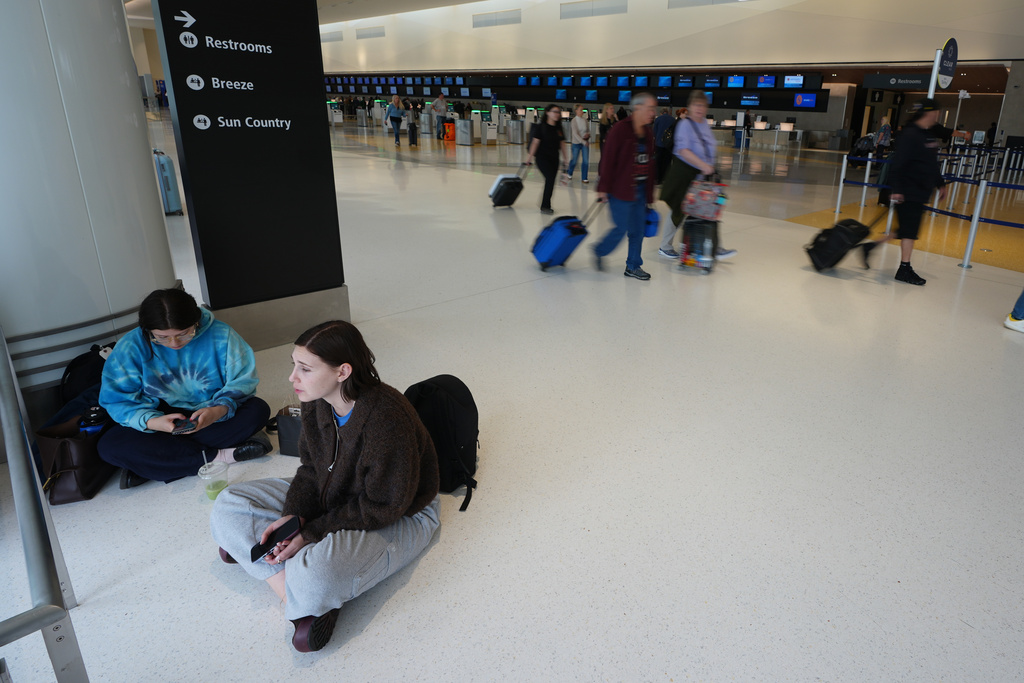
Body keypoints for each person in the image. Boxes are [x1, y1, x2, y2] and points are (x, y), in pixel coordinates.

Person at [210, 320, 440, 653]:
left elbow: (384, 505)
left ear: (342, 371)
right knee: (228, 504)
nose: (292, 377)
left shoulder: (386, 419)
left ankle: (287, 580)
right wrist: (293, 518)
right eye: (294, 364)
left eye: (304, 368)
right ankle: (301, 599)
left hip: (401, 513)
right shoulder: (317, 399)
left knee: (315, 571)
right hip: (339, 493)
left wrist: (310, 532)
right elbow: (311, 469)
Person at [98, 289, 271, 489]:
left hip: (211, 413)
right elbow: (117, 400)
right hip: (159, 418)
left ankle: (156, 465)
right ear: (147, 330)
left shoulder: (223, 336)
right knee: (109, 446)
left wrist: (218, 410)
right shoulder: (130, 347)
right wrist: (152, 422)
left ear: (196, 321)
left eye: (184, 334)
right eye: (162, 337)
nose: (174, 343)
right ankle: (221, 456)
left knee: (258, 410)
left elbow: (243, 382)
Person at [860, 98, 947, 285]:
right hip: (908, 190)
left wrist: (941, 183)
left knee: (905, 229)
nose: (937, 117)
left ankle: (870, 247)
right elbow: (898, 163)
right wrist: (897, 189)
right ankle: (904, 269)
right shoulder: (910, 134)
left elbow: (931, 163)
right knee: (910, 232)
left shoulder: (927, 134)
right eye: (936, 114)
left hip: (919, 190)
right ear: (929, 113)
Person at [658, 90, 736, 260]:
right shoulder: (685, 125)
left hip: (702, 176)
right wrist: (704, 165)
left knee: (708, 209)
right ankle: (665, 246)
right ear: (690, 106)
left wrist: (709, 168)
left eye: (702, 105)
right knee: (679, 210)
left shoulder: (703, 124)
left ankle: (711, 246)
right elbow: (683, 150)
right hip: (685, 174)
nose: (699, 108)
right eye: (696, 105)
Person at [592, 92, 657, 281]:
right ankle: (599, 250)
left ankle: (633, 266)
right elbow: (607, 160)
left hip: (640, 190)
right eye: (650, 108)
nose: (653, 112)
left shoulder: (648, 132)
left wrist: (650, 194)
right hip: (620, 189)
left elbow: (650, 164)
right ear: (637, 108)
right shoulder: (620, 129)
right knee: (620, 228)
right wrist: (603, 187)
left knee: (638, 231)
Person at [525, 104, 569, 215]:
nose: (557, 114)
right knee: (549, 179)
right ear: (548, 113)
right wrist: (529, 157)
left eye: (558, 112)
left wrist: (566, 159)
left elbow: (562, 144)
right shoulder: (541, 127)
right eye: (554, 112)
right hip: (542, 158)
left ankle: (545, 202)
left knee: (551, 181)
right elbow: (535, 142)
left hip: (554, 158)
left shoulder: (559, 129)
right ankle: (545, 206)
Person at [566, 104, 591, 184]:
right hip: (576, 143)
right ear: (576, 111)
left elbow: (588, 130)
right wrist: (583, 142)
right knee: (574, 161)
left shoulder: (585, 120)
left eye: (583, 110)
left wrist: (588, 134)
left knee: (586, 161)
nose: (582, 111)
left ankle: (584, 178)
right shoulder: (574, 121)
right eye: (580, 110)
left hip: (584, 143)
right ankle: (569, 172)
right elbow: (575, 134)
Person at [652, 107, 676, 184]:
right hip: (669, 145)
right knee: (667, 162)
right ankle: (665, 179)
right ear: (667, 112)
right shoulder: (673, 119)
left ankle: (658, 179)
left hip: (659, 144)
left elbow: (654, 132)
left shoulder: (658, 119)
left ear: (661, 112)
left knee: (658, 162)